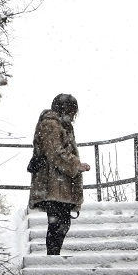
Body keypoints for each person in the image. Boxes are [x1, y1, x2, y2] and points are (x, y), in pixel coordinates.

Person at [29, 93, 89, 255]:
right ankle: (52, 257)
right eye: (73, 110)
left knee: (62, 223)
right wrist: (75, 164)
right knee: (58, 224)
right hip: (53, 183)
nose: (74, 115)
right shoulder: (51, 124)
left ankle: (53, 255)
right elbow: (55, 152)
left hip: (60, 183)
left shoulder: (62, 125)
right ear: (65, 109)